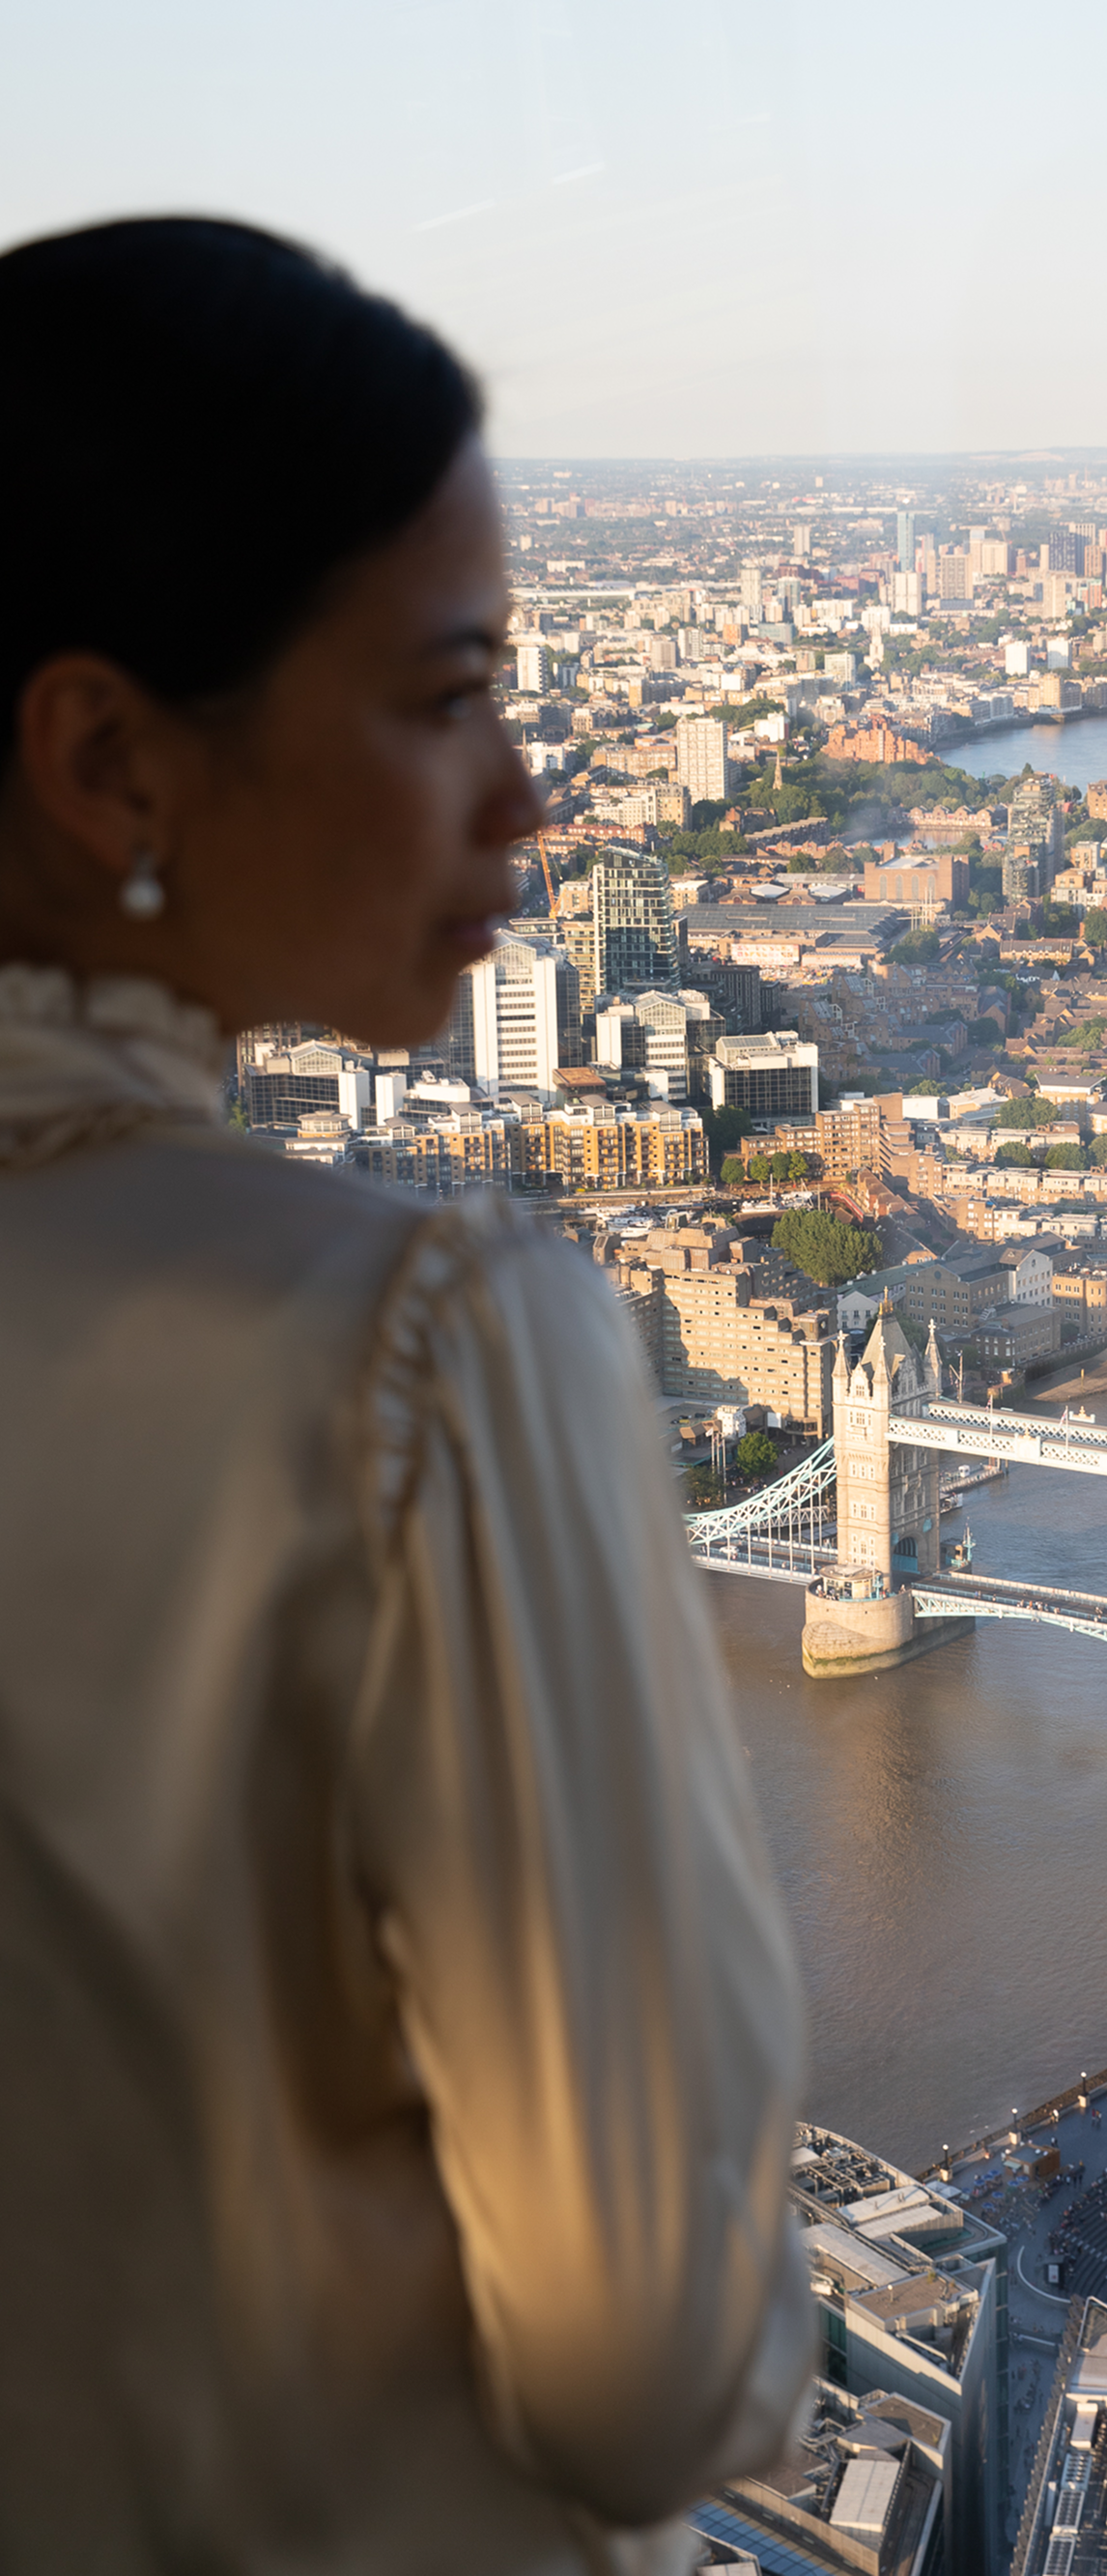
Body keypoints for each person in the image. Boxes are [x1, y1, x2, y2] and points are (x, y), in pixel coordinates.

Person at [0, 218, 811, 2572]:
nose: (529, 795)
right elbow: (645, 2369)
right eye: (445, 692)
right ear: (106, 755)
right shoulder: (424, 1335)